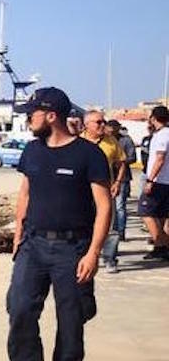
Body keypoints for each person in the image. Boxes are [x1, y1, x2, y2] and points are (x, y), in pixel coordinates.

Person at [1, 87, 110, 361]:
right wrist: (19, 237)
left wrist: (93, 253)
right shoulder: (32, 151)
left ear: (51, 115)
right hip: (33, 246)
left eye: (31, 113)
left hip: (72, 249)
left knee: (71, 320)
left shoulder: (88, 155)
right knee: (19, 309)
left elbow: (104, 207)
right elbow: (25, 193)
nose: (27, 119)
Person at [80, 110, 126, 274]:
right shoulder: (78, 142)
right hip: (83, 192)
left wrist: (118, 182)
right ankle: (86, 255)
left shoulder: (111, 141)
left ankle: (110, 258)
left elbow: (121, 163)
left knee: (111, 226)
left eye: (103, 122)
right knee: (84, 224)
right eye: (98, 122)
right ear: (86, 125)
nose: (102, 125)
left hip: (106, 189)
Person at [139, 105, 169, 261]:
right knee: (162, 214)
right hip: (166, 181)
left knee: (145, 211)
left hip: (159, 180)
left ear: (153, 118)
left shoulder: (162, 135)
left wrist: (150, 180)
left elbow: (160, 158)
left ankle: (161, 242)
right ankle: (161, 248)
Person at [108, 120, 136, 241]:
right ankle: (111, 230)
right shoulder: (105, 141)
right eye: (110, 127)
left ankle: (120, 232)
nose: (112, 129)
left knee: (120, 207)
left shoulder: (126, 140)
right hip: (107, 177)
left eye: (115, 127)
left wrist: (119, 162)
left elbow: (132, 157)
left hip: (122, 177)